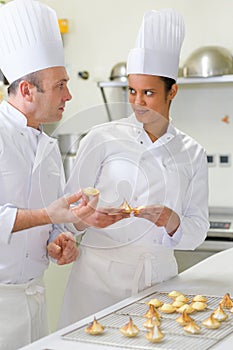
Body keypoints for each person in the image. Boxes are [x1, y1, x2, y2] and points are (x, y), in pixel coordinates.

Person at [58, 8, 209, 328]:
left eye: (149, 93)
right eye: (132, 91)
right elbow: (66, 215)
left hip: (159, 284)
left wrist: (170, 220)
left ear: (173, 91)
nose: (138, 102)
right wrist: (83, 218)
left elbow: (197, 229)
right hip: (95, 288)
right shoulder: (101, 139)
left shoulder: (193, 153)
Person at [0, 0, 103, 349]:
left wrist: (60, 238)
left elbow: (51, 220)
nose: (69, 95)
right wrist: (48, 216)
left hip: (35, 299)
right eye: (60, 85)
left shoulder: (47, 147)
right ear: (27, 90)